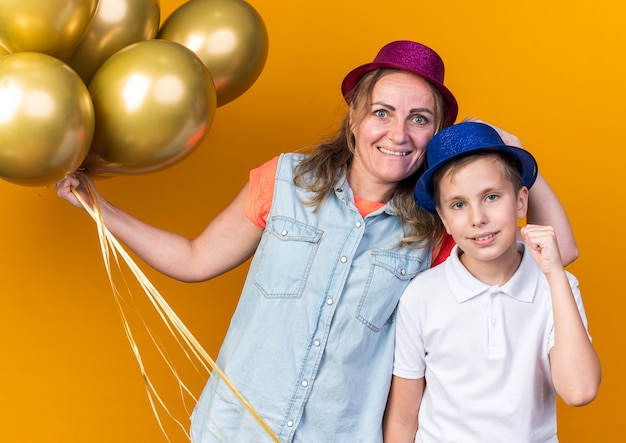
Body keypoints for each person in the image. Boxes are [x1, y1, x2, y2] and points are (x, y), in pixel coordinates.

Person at [56, 41, 578, 442]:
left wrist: (507, 145)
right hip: (235, 429)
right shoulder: (283, 180)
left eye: (420, 120)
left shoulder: (437, 226)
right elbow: (194, 259)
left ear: (435, 134)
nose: (398, 133)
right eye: (382, 112)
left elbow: (559, 249)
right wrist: (99, 209)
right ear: (353, 117)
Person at [383, 122, 601, 443]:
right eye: (459, 204)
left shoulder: (556, 287)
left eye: (492, 196)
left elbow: (580, 391)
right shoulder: (422, 296)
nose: (477, 218)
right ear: (444, 218)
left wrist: (555, 275)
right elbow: (403, 419)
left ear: (521, 201)